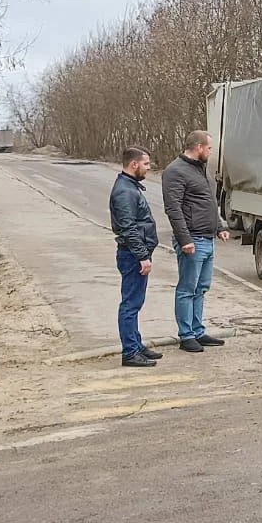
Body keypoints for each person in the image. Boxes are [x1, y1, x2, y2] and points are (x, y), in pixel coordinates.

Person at [161, 130, 230, 354]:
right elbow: (173, 208)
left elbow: (209, 203)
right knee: (187, 288)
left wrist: (220, 227)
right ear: (199, 147)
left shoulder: (202, 170)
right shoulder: (175, 171)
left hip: (207, 238)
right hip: (192, 240)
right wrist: (185, 239)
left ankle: (198, 331)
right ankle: (186, 335)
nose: (211, 152)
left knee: (201, 288)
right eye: (209, 148)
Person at [110, 146, 161, 368]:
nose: (148, 168)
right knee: (130, 304)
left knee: (135, 302)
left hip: (135, 254)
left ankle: (136, 345)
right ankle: (130, 352)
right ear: (134, 164)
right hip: (132, 256)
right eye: (146, 164)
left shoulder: (130, 187)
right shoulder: (125, 191)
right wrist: (142, 256)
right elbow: (128, 228)